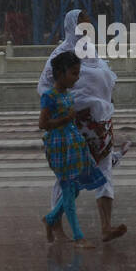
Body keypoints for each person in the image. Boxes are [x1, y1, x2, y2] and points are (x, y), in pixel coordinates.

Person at [37, 10, 128, 244]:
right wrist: (66, 109)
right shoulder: (60, 56)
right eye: (81, 24)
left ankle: (106, 226)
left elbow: (105, 86)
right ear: (70, 27)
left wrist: (107, 111)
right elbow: (46, 89)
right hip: (74, 126)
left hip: (100, 125)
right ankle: (56, 225)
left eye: (89, 24)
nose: (86, 28)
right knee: (68, 179)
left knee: (105, 172)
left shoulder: (94, 54)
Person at [39, 51, 109, 248]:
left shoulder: (68, 95)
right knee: (69, 191)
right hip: (60, 146)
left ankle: (51, 219)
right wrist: (64, 120)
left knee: (75, 189)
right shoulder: (49, 97)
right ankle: (79, 237)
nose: (77, 78)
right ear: (60, 74)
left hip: (73, 145)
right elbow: (43, 123)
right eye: (73, 73)